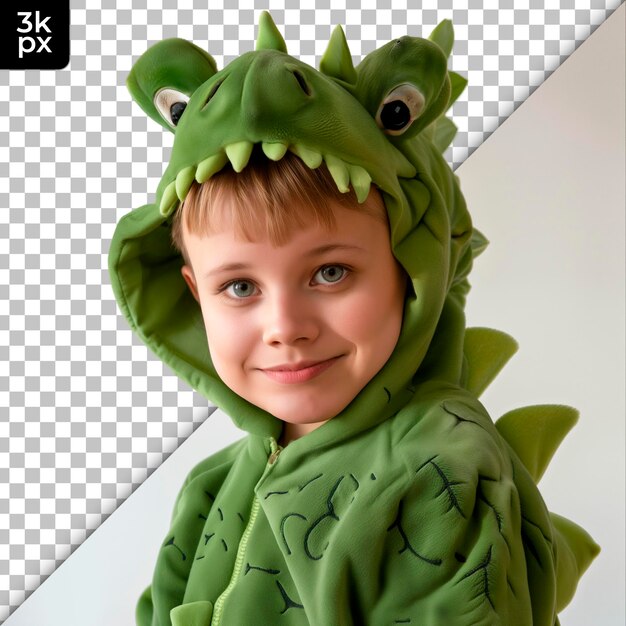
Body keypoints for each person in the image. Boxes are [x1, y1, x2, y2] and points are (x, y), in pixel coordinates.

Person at [109, 11, 598, 625]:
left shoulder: (440, 478)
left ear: (409, 269)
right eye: (239, 285)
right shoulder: (214, 484)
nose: (285, 326)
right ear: (193, 295)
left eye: (331, 273)